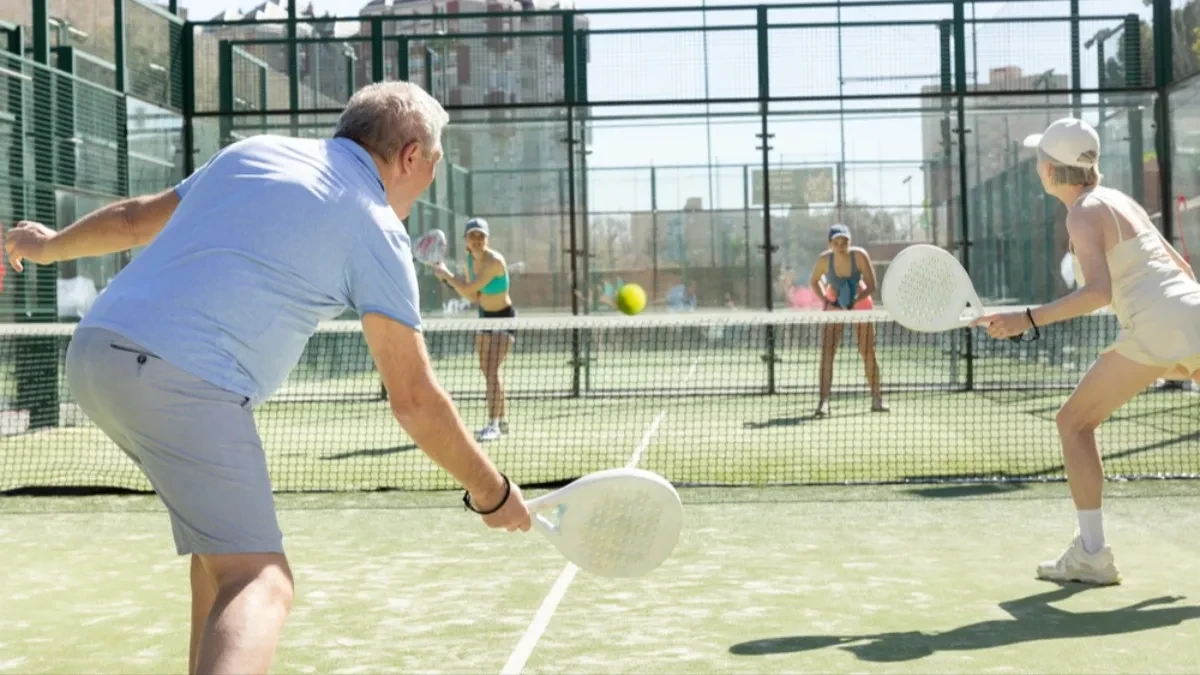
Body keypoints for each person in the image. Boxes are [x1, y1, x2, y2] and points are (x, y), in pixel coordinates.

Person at [3, 81, 532, 675]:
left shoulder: (252, 152)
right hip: (182, 379)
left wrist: (48, 248)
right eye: (433, 163)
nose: (430, 176)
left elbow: (131, 221)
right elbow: (412, 400)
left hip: (97, 352)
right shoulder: (376, 226)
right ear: (411, 156)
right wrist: (492, 493)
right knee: (261, 580)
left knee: (217, 562)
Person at [975, 117, 1200, 585]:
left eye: (1041, 160)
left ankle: (1093, 554)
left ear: (1053, 172)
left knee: (1072, 423)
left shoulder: (1080, 213)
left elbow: (1098, 292)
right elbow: (1179, 266)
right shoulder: (1119, 200)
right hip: (1192, 311)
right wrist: (1179, 346)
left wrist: (1027, 319)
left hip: (1157, 325)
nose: (1037, 166)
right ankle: (1090, 554)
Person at [434, 217, 514, 442]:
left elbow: (470, 287)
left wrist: (448, 276)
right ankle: (502, 419)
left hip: (504, 318)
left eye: (481, 236)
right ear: (466, 240)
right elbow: (473, 296)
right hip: (484, 318)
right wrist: (448, 279)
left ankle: (493, 425)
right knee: (487, 370)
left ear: (487, 239)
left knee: (492, 370)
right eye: (473, 236)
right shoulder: (469, 261)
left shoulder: (495, 261)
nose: (477, 240)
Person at [807, 223, 887, 416]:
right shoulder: (824, 260)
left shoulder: (859, 255)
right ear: (830, 244)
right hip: (834, 302)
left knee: (867, 351)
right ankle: (823, 402)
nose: (841, 245)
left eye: (845, 241)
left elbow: (871, 285)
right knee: (827, 352)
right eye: (836, 242)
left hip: (859, 301)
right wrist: (827, 300)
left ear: (850, 241)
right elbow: (814, 281)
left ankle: (877, 399)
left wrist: (853, 300)